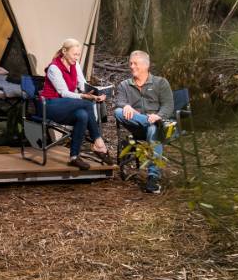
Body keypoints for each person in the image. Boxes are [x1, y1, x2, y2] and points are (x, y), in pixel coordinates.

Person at [39, 38, 112, 169]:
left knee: (82, 115)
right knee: (86, 104)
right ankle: (98, 142)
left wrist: (96, 93)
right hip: (49, 105)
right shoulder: (54, 68)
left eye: (78, 54)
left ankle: (74, 156)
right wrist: (84, 96)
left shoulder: (75, 65)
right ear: (64, 51)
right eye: (74, 54)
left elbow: (82, 85)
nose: (77, 57)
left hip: (65, 105)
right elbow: (63, 93)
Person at [113, 50, 175, 194]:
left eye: (135, 64)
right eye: (130, 63)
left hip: (157, 126)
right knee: (118, 112)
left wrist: (158, 116)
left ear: (146, 65)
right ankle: (152, 123)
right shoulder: (124, 85)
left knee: (153, 129)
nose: (132, 67)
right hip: (137, 127)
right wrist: (125, 106)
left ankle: (153, 178)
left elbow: (168, 106)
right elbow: (119, 102)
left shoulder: (160, 83)